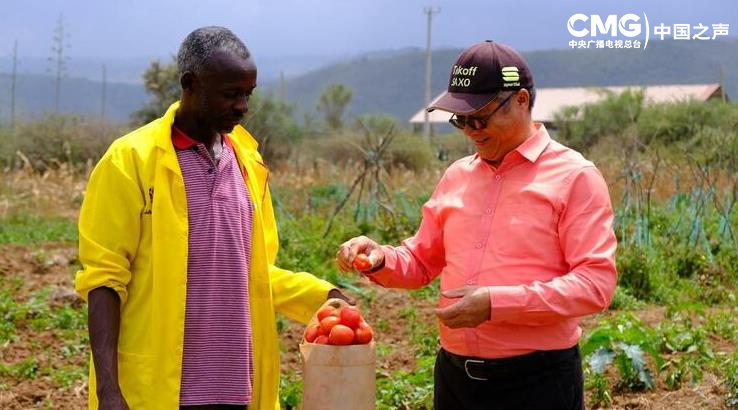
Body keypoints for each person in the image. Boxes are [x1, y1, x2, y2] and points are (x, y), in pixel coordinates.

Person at [76, 26, 349, 410]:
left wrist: (322, 296)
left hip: (238, 387)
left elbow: (253, 271)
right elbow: (103, 281)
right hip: (158, 391)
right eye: (230, 94)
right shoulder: (131, 161)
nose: (243, 106)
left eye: (248, 93)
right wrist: (108, 391)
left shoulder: (248, 164)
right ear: (190, 84)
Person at [336, 40, 617, 410]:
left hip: (536, 382)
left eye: (480, 117)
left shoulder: (575, 177)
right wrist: (379, 259)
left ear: (520, 100)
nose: (470, 130)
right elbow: (421, 260)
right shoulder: (457, 176)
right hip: (455, 379)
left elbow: (595, 284)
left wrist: (496, 303)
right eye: (461, 120)